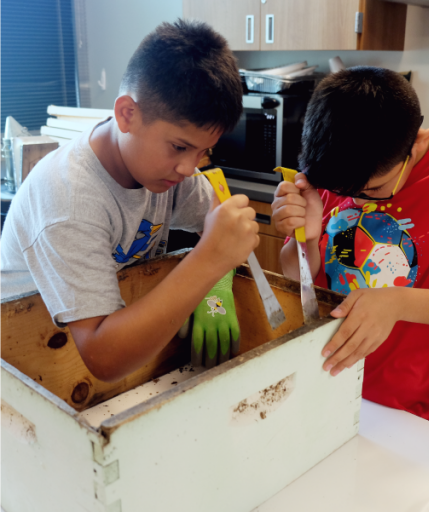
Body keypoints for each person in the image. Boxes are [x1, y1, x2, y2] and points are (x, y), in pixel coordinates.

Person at [0, 20, 255, 381]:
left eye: (203, 151)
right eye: (180, 146)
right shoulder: (69, 200)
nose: (189, 168)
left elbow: (220, 216)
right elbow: (104, 359)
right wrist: (208, 262)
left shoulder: (169, 173)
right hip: (24, 367)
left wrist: (217, 287)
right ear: (127, 114)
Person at [270, 67, 429, 422]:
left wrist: (395, 303)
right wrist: (309, 236)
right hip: (314, 378)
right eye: (346, 193)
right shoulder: (332, 161)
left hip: (399, 404)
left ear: (418, 142)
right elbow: (298, 278)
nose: (359, 201)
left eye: (374, 191)